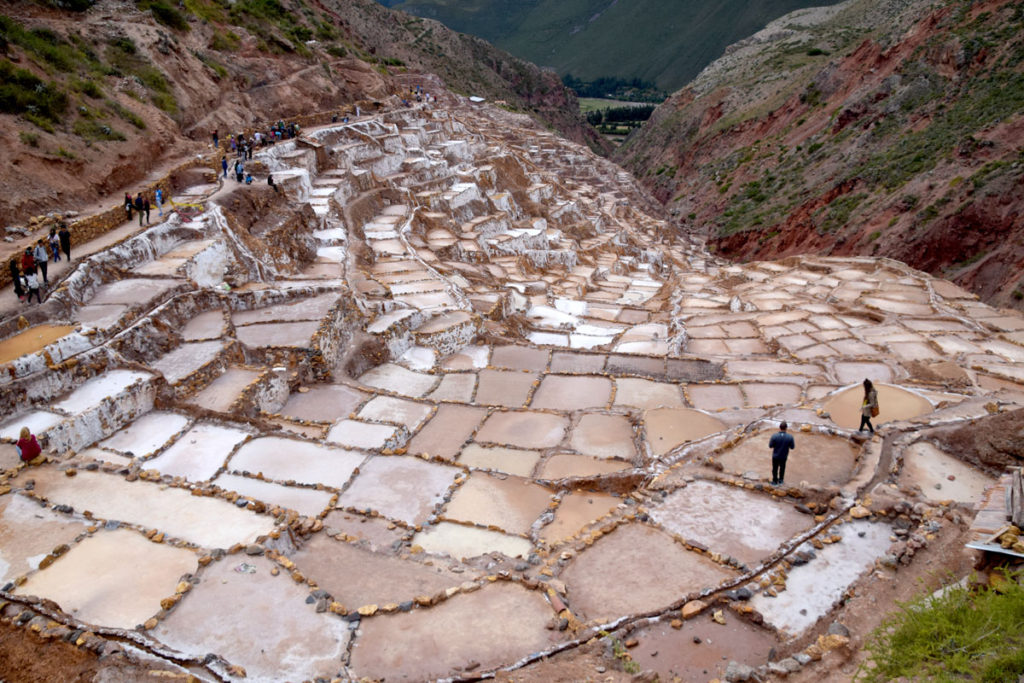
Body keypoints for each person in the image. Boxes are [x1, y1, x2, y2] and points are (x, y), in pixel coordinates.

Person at [768, 421, 795, 486]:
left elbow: (770, 446)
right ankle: (781, 480)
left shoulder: (774, 436)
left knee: (775, 469)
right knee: (782, 468)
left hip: (775, 455)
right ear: (786, 428)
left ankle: (774, 481)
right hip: (784, 456)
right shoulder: (790, 437)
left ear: (779, 427)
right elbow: (792, 447)